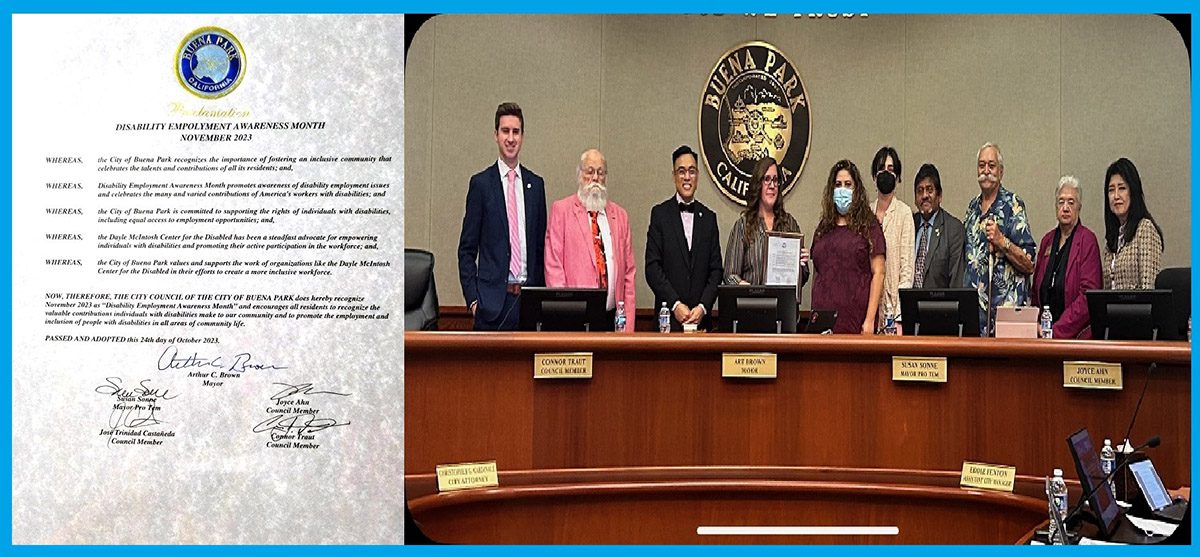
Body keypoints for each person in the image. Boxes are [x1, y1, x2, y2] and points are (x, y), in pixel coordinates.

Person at [457, 102, 546, 330]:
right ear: (495, 135)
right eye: (505, 131)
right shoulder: (481, 185)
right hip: (492, 305)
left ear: (523, 137)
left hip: (528, 303)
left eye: (516, 132)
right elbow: (466, 250)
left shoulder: (535, 186)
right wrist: (474, 301)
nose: (510, 138)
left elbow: (540, 249)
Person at [545, 148, 637, 332]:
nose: (595, 178)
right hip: (575, 321)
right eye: (590, 171)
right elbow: (553, 269)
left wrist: (628, 328)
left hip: (613, 321)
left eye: (600, 172)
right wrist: (565, 318)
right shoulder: (561, 211)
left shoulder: (620, 216)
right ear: (579, 175)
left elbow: (629, 274)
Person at [645, 145, 723, 331]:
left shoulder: (709, 218)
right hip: (668, 322)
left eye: (692, 171)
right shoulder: (660, 215)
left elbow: (716, 270)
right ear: (674, 176)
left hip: (702, 322)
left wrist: (703, 307)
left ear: (697, 177)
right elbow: (652, 268)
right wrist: (675, 304)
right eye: (681, 171)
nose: (687, 177)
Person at [963, 142, 1036, 336]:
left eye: (991, 165)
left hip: (1007, 318)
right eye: (981, 165)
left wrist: (1002, 241)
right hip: (976, 319)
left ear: (1001, 172)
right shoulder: (972, 209)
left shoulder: (1013, 205)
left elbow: (1029, 264)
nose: (986, 171)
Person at [810, 159, 886, 335]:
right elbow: (818, 271)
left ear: (856, 190)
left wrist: (869, 321)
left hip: (856, 323)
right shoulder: (823, 227)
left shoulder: (869, 225)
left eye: (848, 184)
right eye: (837, 185)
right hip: (823, 325)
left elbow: (879, 273)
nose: (842, 189)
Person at [723, 156, 809, 293]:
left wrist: (802, 263)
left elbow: (802, 277)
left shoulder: (789, 224)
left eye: (775, 180)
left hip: (783, 309)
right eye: (767, 179)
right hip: (751, 308)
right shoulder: (743, 225)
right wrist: (749, 288)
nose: (772, 185)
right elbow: (729, 276)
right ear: (758, 184)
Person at [1032, 176, 1102, 339]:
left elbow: (1088, 296)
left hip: (1077, 337)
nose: (1065, 208)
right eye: (1061, 202)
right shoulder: (1047, 241)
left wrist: (1056, 330)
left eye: (1071, 202)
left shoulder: (1087, 240)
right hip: (1043, 335)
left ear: (1079, 208)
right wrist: (1036, 325)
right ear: (1055, 206)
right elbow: (1036, 291)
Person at [869, 146, 914, 330]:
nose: (885, 174)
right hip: (869, 309)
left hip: (892, 309)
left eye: (891, 169)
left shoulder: (904, 213)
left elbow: (907, 269)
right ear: (874, 176)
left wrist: (899, 316)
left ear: (898, 177)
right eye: (881, 169)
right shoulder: (865, 213)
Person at [1101, 157, 1164, 289]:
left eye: (1122, 188)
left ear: (1133, 191)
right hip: (1112, 309)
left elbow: (1149, 288)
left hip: (1138, 309)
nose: (1116, 196)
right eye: (1111, 190)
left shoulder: (1145, 229)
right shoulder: (1112, 240)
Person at [911, 163, 966, 289]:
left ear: (939, 196)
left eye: (930, 190)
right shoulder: (909, 225)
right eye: (920, 191)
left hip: (941, 306)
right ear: (915, 199)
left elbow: (956, 283)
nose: (924, 196)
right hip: (909, 306)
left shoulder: (953, 229)